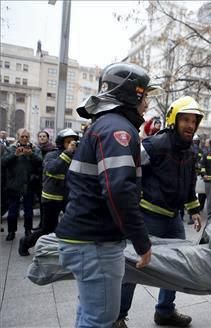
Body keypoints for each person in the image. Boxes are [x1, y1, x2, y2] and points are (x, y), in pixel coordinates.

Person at [55, 62, 153, 327]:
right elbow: (119, 189)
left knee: (88, 314)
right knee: (101, 319)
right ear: (133, 93)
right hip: (96, 243)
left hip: (86, 239)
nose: (147, 103)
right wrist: (141, 241)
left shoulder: (105, 124)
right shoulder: (118, 129)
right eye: (146, 96)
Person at [115, 96, 203, 328]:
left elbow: (189, 181)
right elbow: (128, 167)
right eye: (185, 120)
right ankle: (117, 317)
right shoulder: (155, 144)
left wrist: (194, 209)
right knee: (134, 266)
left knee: (176, 266)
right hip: (149, 217)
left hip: (174, 218)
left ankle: (165, 311)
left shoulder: (191, 149)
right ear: (174, 120)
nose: (190, 126)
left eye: (194, 121)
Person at [18, 128, 78, 256]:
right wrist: (67, 153)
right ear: (61, 143)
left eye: (74, 142)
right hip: (51, 198)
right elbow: (52, 169)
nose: (72, 144)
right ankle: (25, 242)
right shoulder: (52, 155)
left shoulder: (76, 157)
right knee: (47, 228)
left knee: (75, 223)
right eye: (68, 142)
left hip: (68, 198)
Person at [1, 128, 43, 241]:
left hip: (29, 184)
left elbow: (40, 162)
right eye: (22, 136)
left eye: (26, 137)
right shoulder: (11, 148)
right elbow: (3, 162)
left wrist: (31, 154)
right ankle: (11, 231)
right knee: (12, 211)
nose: (24, 139)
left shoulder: (34, 149)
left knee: (28, 210)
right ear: (18, 137)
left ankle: (28, 230)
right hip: (14, 184)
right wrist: (15, 155)